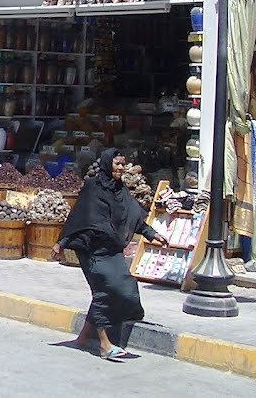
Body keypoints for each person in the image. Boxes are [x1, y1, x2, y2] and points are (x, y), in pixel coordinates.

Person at [52, 149, 170, 360]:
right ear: (108, 164)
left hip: (112, 251)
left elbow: (134, 219)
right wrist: (61, 244)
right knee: (104, 291)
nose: (120, 168)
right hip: (92, 251)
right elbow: (78, 217)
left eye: (122, 164)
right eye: (116, 163)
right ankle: (105, 345)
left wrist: (153, 235)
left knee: (124, 287)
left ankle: (81, 339)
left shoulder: (120, 190)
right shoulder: (92, 188)